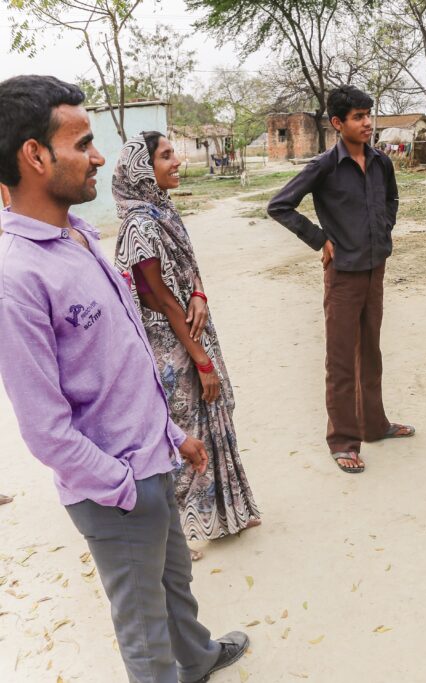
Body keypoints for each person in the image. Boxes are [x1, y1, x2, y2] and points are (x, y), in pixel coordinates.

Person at [0, 75, 247, 683]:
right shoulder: (16, 277)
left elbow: (123, 363)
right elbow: (46, 431)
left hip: (153, 460)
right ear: (35, 156)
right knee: (142, 633)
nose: (100, 157)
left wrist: (169, 434)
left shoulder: (78, 236)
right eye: (82, 143)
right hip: (116, 491)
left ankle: (198, 658)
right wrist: (123, 486)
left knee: (175, 585)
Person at [113, 133, 261, 557]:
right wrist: (200, 360)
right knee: (186, 429)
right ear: (142, 169)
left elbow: (187, 269)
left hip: (191, 330)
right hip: (172, 346)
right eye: (165, 156)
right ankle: (177, 531)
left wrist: (199, 293)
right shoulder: (138, 224)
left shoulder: (162, 209)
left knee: (214, 417)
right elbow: (156, 296)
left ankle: (226, 512)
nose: (176, 161)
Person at [268, 85, 414, 474]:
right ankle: (343, 440)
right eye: (358, 117)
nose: (368, 123)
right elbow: (279, 206)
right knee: (341, 359)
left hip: (375, 268)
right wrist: (321, 240)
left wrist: (383, 231)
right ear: (337, 123)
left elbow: (391, 201)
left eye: (369, 115)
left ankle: (375, 424)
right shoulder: (323, 167)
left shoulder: (381, 162)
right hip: (344, 275)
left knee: (371, 352)